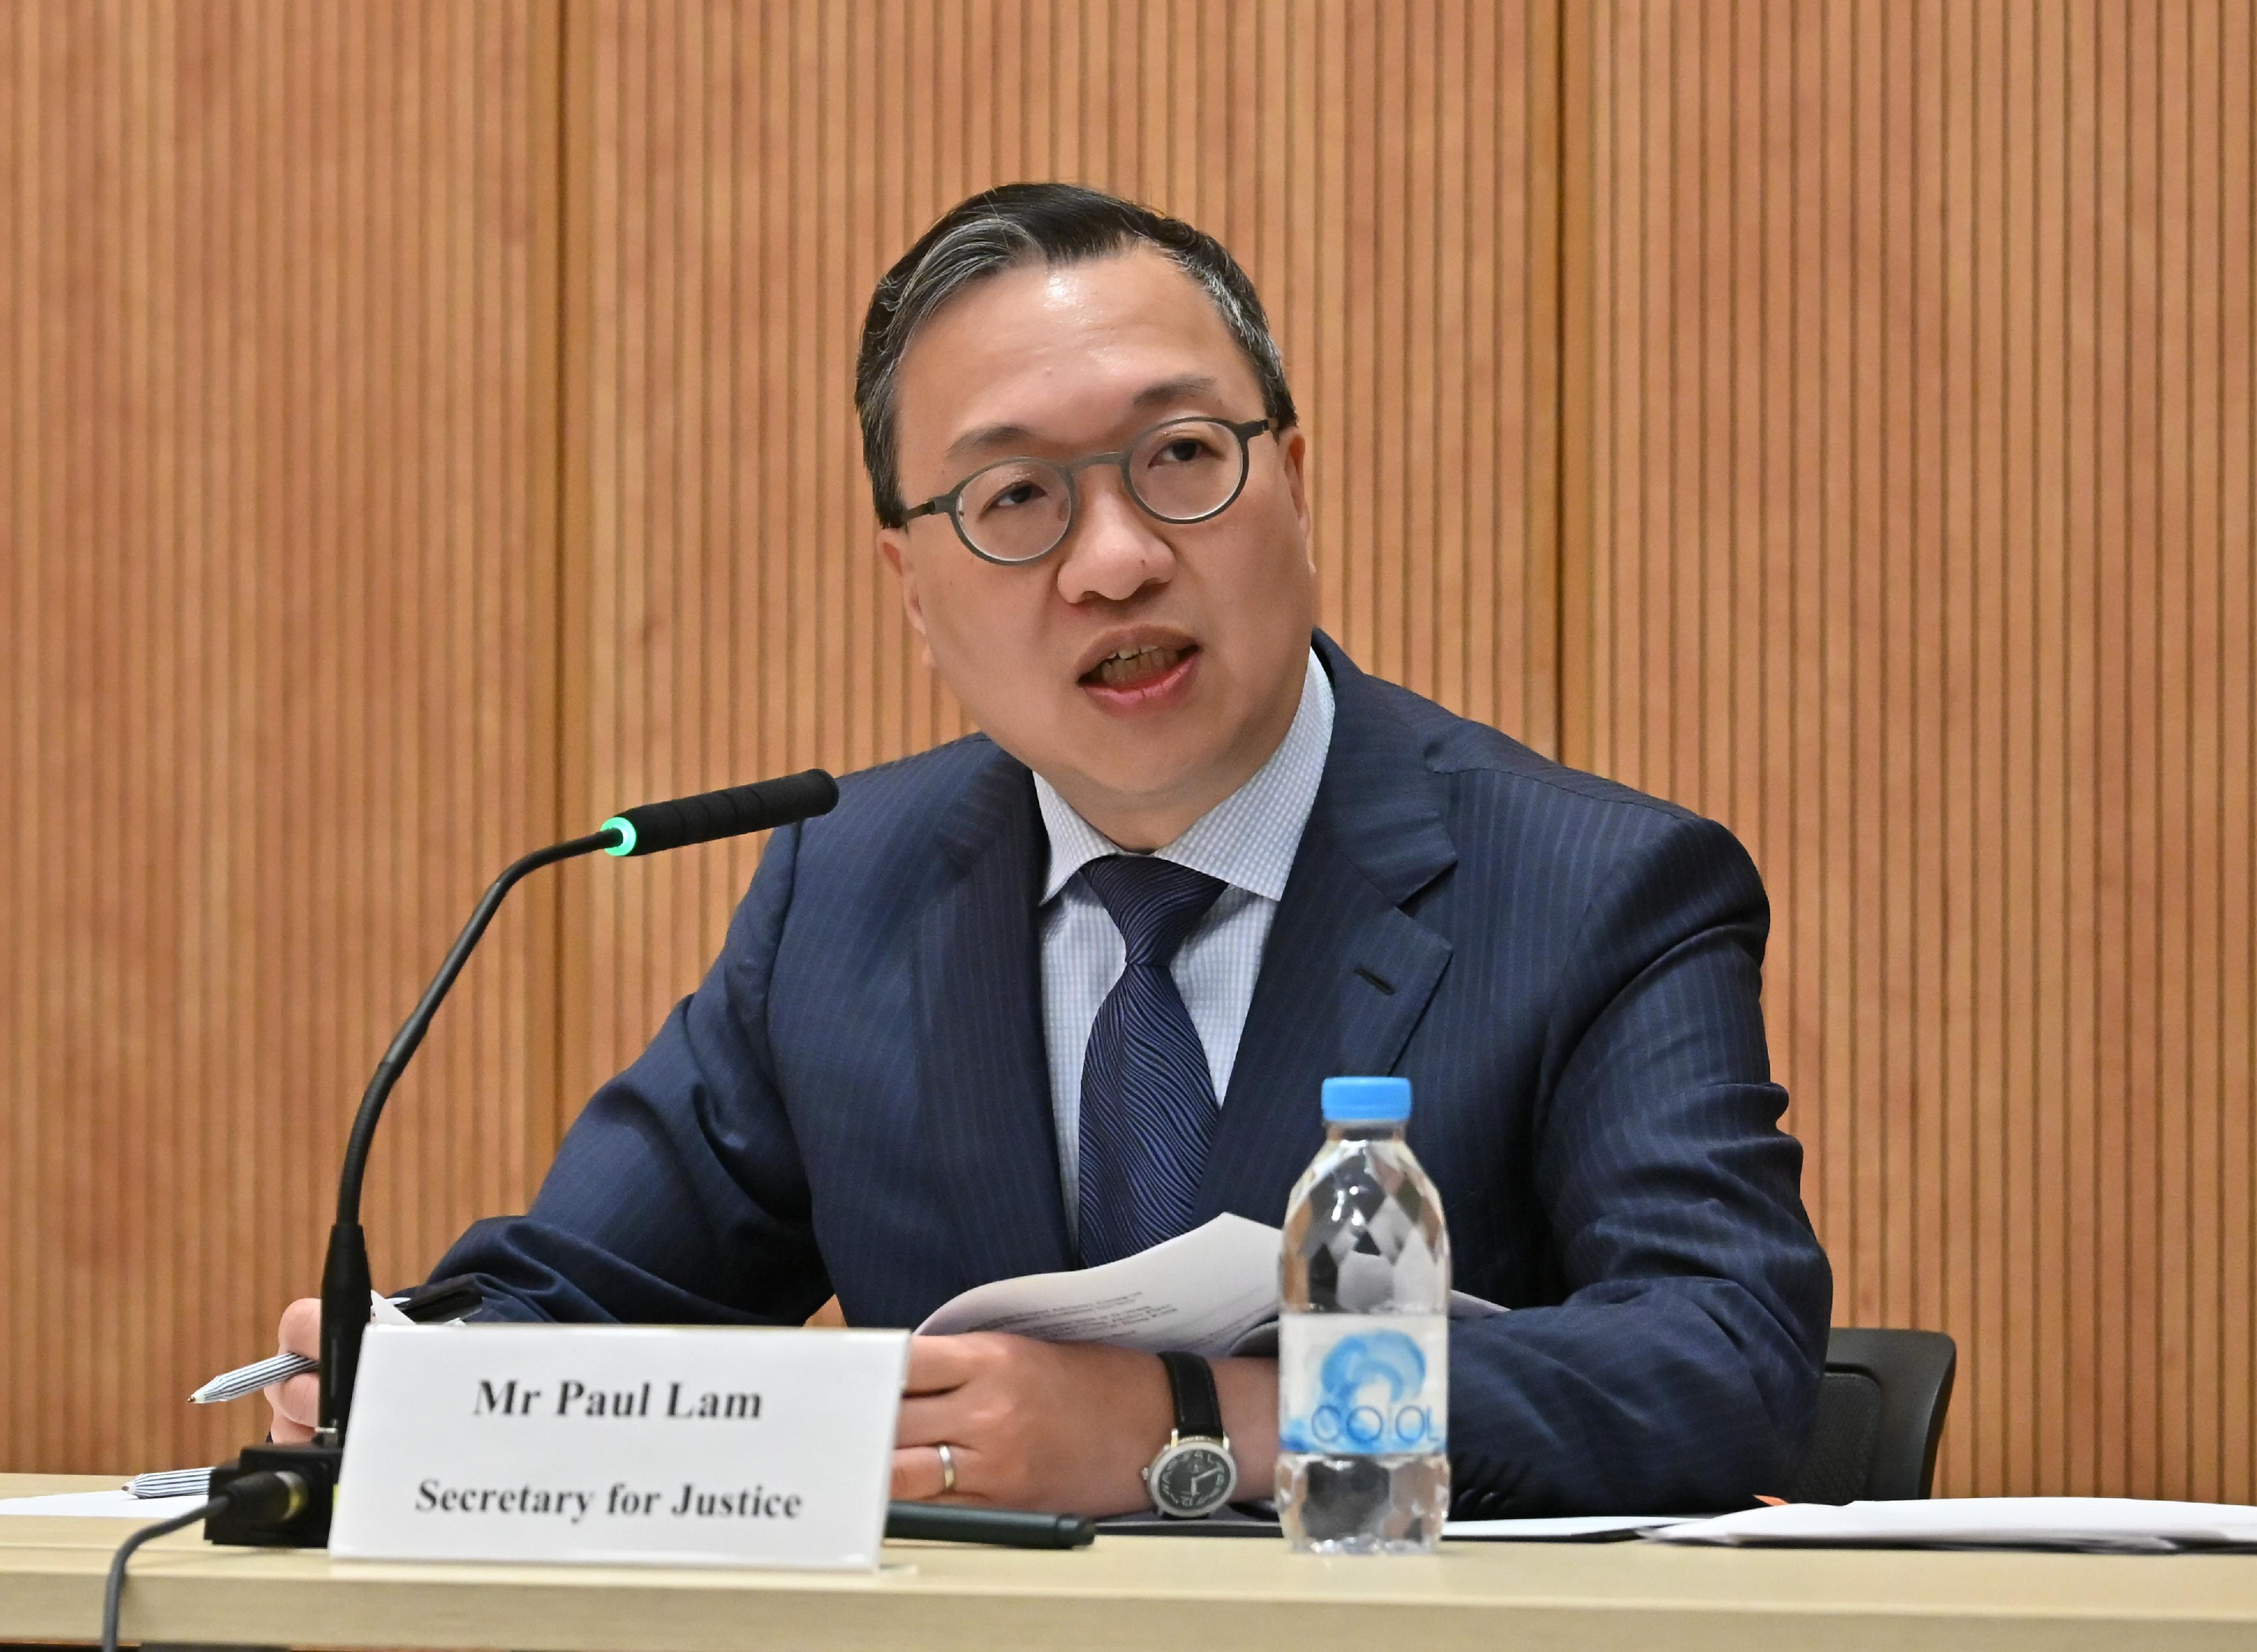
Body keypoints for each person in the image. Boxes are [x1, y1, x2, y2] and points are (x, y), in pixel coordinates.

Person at [264, 182, 1831, 1520]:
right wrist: (411, 1371)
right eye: (1016, 498)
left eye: (1182, 459)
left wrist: (1185, 1424)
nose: (1118, 559)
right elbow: (586, 1306)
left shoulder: (1594, 888)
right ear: (912, 585)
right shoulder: (846, 889)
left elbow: (1726, 1355)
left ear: (1295, 476)